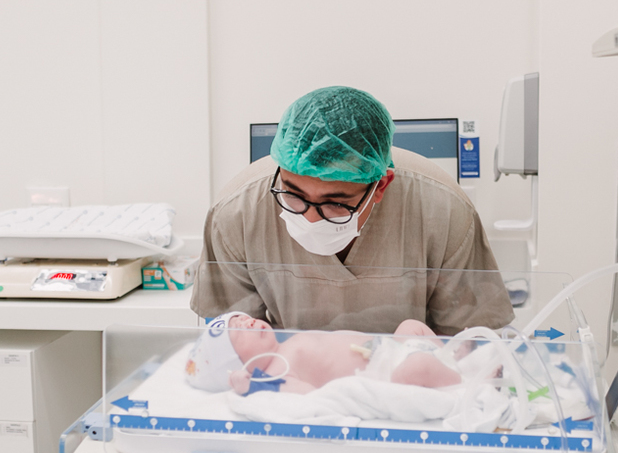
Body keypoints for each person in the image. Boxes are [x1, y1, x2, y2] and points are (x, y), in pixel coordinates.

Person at [191, 86, 513, 335]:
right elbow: (226, 346)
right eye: (293, 194)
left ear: (381, 187)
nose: (310, 219)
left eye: (335, 203)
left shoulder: (444, 211)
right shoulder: (235, 214)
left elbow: (472, 346)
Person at [187, 311, 465, 396]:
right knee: (416, 368)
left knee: (410, 326)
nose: (248, 322)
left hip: (389, 350)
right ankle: (467, 384)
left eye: (244, 319)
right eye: (240, 331)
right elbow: (304, 395)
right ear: (240, 363)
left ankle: (455, 361)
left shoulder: (285, 346)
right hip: (385, 375)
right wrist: (254, 384)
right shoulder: (276, 371)